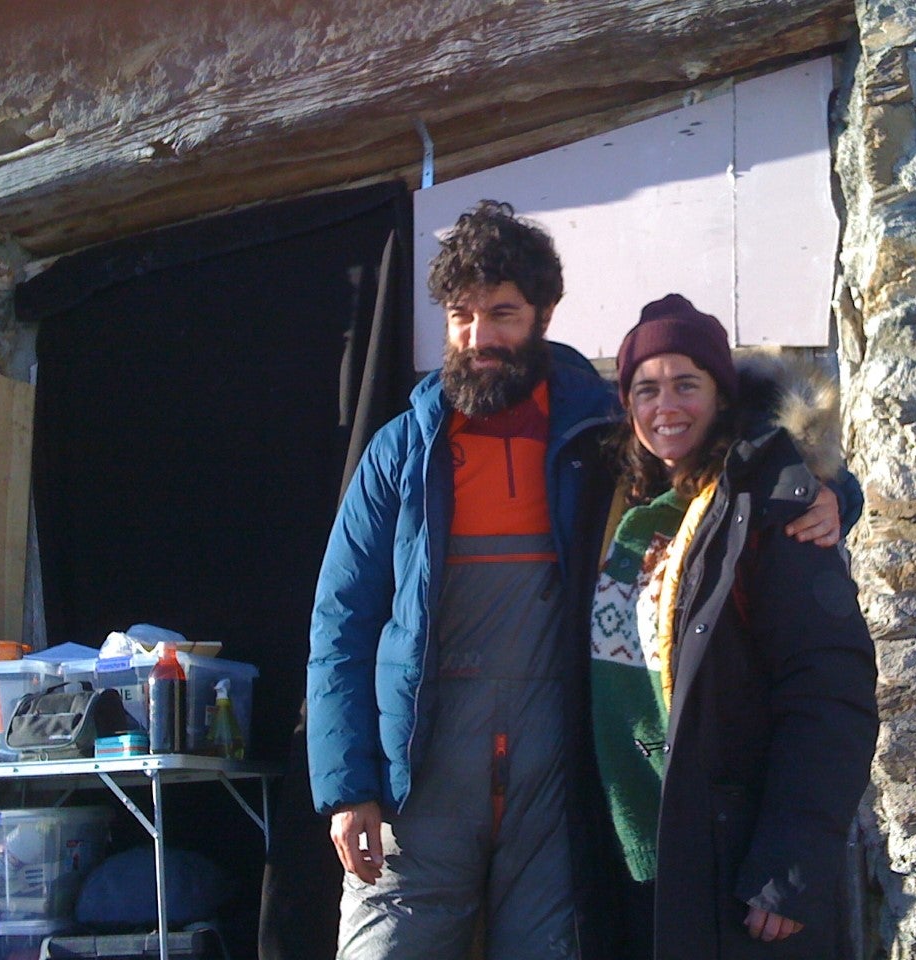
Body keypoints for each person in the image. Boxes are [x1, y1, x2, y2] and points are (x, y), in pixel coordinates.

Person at [305, 201, 856, 960]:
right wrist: (346, 788)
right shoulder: (400, 455)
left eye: (502, 313)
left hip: (555, 788)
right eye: (461, 316)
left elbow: (721, 451)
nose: (480, 337)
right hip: (417, 786)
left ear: (543, 314)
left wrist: (833, 493)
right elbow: (340, 623)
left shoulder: (594, 437)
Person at [584, 294, 879, 959]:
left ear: (722, 393)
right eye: (646, 389)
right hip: (632, 860)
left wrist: (788, 870)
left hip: (734, 862)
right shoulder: (619, 510)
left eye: (687, 384)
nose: (667, 407)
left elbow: (830, 693)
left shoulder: (771, 504)